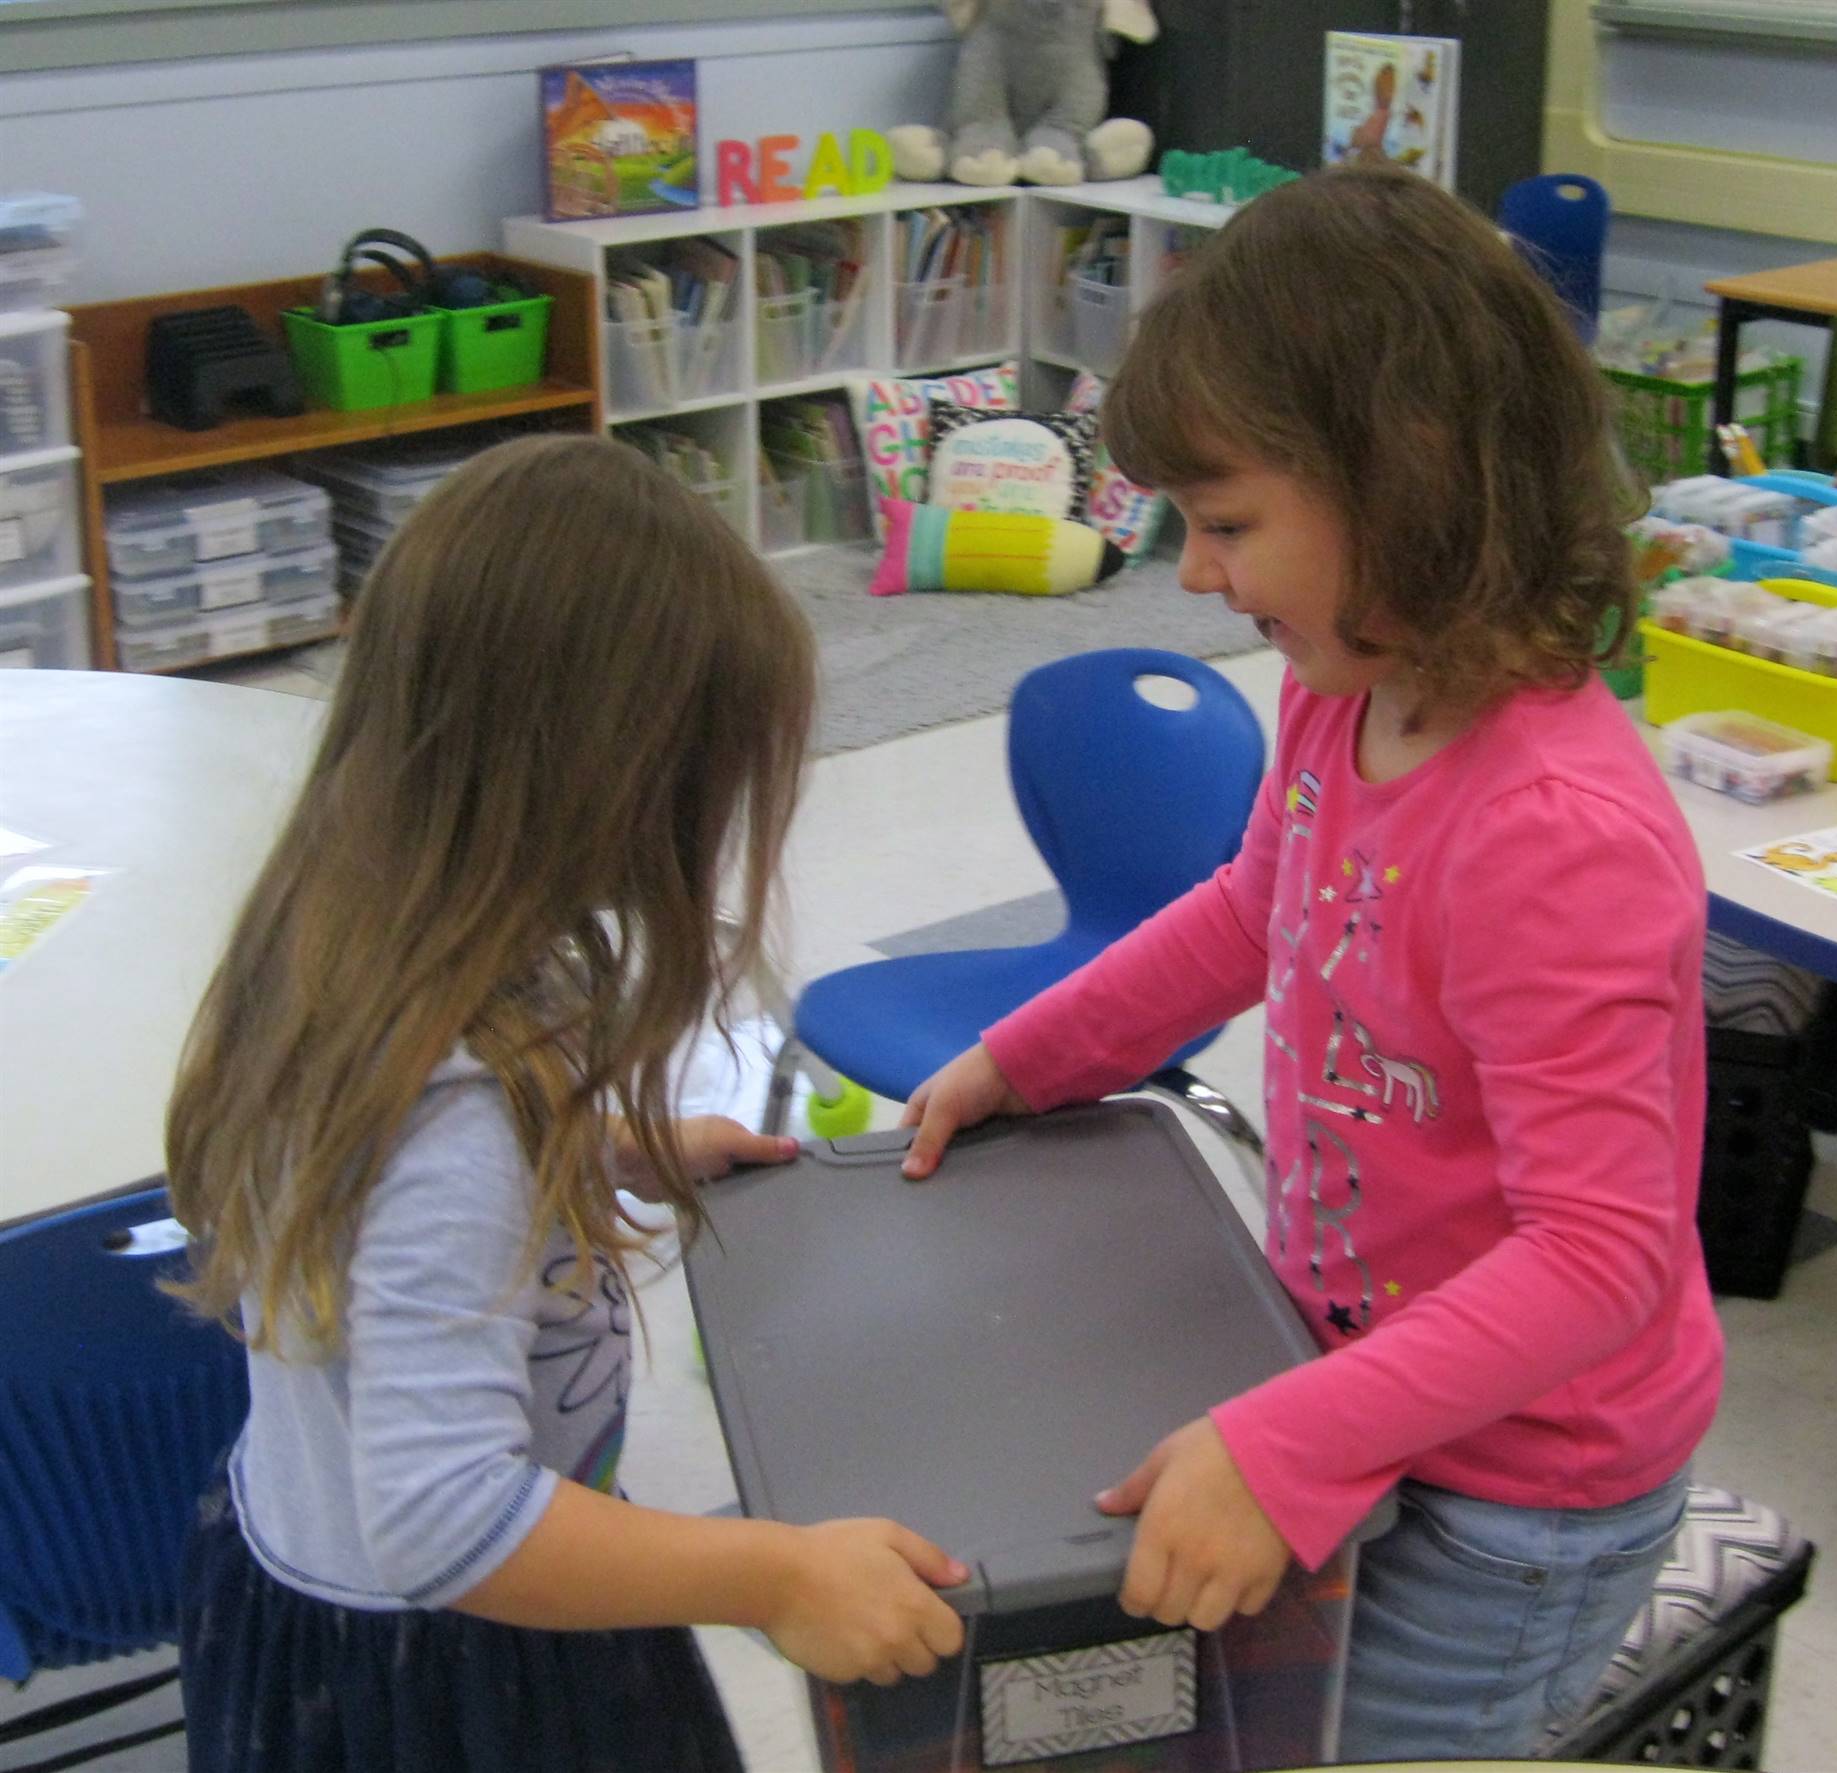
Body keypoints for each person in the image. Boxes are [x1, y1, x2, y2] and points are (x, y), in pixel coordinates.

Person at [897, 165, 1722, 1760]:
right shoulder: (1347, 697)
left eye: (1227, 525)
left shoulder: (1556, 832)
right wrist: (1024, 1056)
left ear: (1408, 479)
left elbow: (1601, 1258)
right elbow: (1244, 918)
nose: (1198, 573)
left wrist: (1283, 1444)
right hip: (1373, 1387)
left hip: (1522, 1496)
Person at [166, 435, 967, 1773]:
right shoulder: (454, 1114)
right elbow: (447, 1516)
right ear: (606, 781)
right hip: (456, 1676)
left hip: (320, 1590)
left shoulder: (364, 931)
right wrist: (773, 1574)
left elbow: (376, 1211)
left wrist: (589, 1151)